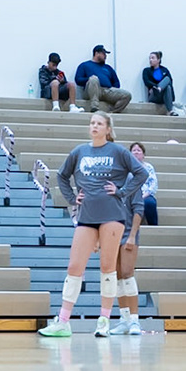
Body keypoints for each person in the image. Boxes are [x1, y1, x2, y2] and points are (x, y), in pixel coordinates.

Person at [39, 112, 141, 339]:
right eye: (92, 123)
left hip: (112, 216)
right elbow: (62, 176)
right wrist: (71, 197)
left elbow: (140, 173)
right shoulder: (79, 152)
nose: (95, 126)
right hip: (86, 216)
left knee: (107, 267)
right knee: (74, 267)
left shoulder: (118, 152)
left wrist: (122, 192)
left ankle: (104, 320)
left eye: (100, 123)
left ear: (108, 129)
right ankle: (63, 322)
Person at [111, 142, 159, 337]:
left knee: (127, 273)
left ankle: (134, 320)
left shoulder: (132, 179)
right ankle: (124, 319)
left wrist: (132, 235)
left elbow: (139, 209)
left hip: (128, 233)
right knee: (116, 276)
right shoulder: (108, 182)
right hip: (110, 234)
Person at [75, 45, 130, 114]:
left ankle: (113, 112)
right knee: (94, 79)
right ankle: (94, 107)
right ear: (97, 53)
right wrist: (89, 79)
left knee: (127, 95)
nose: (105, 56)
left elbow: (116, 82)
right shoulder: (84, 65)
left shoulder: (108, 67)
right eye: (103, 54)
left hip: (107, 91)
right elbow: (78, 80)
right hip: (92, 90)